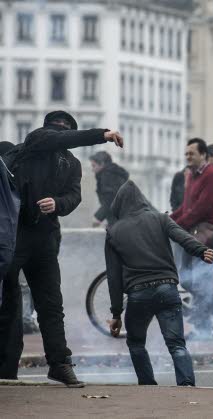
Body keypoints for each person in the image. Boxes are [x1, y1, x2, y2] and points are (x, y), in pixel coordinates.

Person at [0, 111, 123, 386]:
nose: (60, 133)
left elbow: (74, 196)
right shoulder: (34, 143)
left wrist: (57, 203)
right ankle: (6, 369)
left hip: (44, 238)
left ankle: (59, 364)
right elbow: (57, 137)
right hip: (15, 233)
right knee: (10, 304)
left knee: (51, 306)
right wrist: (101, 134)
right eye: (57, 129)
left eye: (64, 129)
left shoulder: (71, 164)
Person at [106, 180, 213, 386]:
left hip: (138, 294)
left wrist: (116, 314)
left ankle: (148, 387)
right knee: (176, 344)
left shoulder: (113, 232)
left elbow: (114, 277)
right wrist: (202, 251)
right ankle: (186, 386)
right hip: (167, 289)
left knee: (136, 344)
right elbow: (182, 237)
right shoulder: (159, 218)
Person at [171, 138, 213, 251]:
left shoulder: (211, 174)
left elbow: (201, 208)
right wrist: (169, 219)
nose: (188, 157)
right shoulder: (191, 175)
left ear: (203, 155)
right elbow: (186, 206)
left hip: (207, 236)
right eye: (186, 154)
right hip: (193, 233)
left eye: (191, 154)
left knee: (199, 268)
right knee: (184, 267)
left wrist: (177, 224)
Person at [89, 151, 129, 227]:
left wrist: (98, 217)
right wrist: (112, 222)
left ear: (102, 164)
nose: (92, 169)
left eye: (94, 166)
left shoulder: (108, 175)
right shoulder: (113, 174)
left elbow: (111, 200)